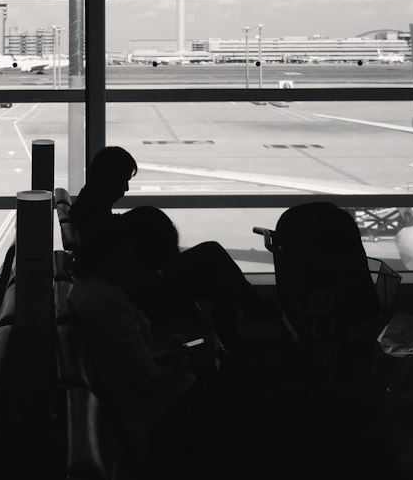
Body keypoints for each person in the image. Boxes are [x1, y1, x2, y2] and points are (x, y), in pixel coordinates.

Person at [69, 207, 229, 480]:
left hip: (167, 408)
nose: (146, 279)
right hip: (169, 416)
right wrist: (184, 360)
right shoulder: (105, 300)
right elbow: (144, 379)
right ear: (129, 255)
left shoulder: (92, 289)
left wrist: (161, 348)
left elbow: (129, 357)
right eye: (149, 268)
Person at [71, 145, 275, 353]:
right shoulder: (94, 210)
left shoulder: (88, 203)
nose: (126, 189)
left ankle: (232, 347)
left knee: (223, 282)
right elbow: (106, 249)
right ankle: (247, 318)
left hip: (139, 284)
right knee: (213, 254)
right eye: (124, 179)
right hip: (143, 290)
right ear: (108, 175)